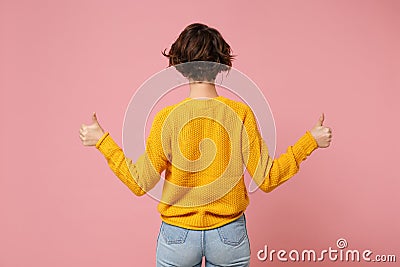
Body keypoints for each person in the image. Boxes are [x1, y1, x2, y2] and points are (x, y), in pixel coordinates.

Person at [79, 23, 332, 267]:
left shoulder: (167, 118)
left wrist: (102, 141)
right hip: (228, 235)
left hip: (177, 237)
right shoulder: (240, 114)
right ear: (221, 64)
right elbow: (267, 178)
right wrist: (310, 141)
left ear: (180, 65)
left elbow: (139, 183)